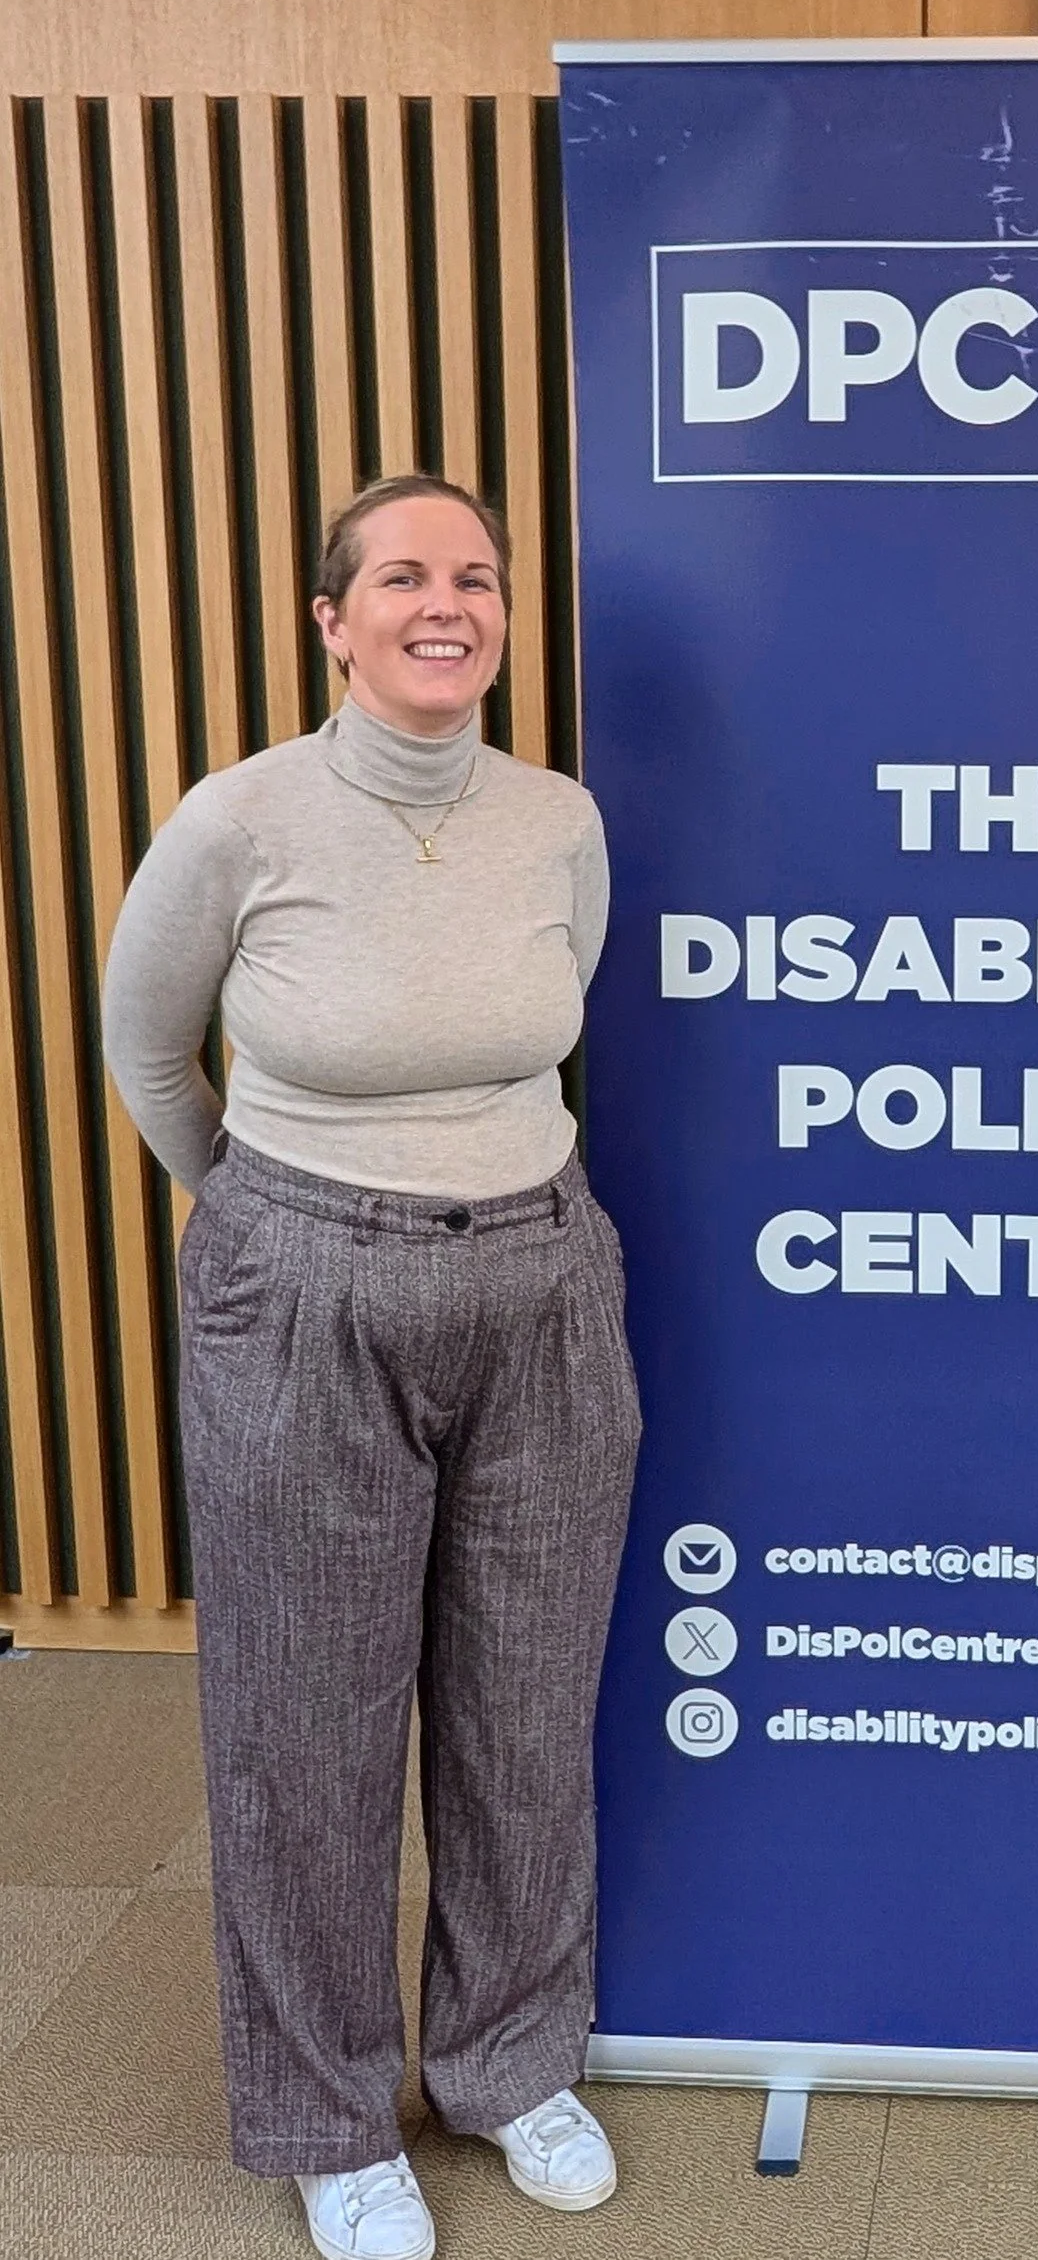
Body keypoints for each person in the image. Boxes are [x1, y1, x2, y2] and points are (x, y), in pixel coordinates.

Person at [103, 474, 642, 2260]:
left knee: (525, 1709)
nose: (445, 603)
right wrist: (275, 1218)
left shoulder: (557, 819)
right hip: (304, 1284)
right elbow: (149, 1049)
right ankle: (331, 2116)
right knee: (303, 1727)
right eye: (402, 575)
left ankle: (509, 2064)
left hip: (541, 1278)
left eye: (474, 576)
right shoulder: (240, 818)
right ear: (334, 619)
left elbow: (549, 1019)